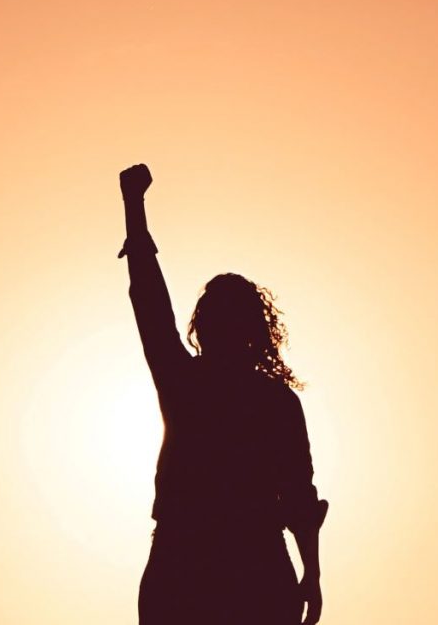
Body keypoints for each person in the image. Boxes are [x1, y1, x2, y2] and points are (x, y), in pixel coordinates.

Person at [118, 163, 329, 625]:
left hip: (227, 566)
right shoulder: (210, 387)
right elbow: (149, 300)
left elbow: (298, 495)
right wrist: (134, 212)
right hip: (204, 562)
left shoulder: (214, 389)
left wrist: (311, 573)